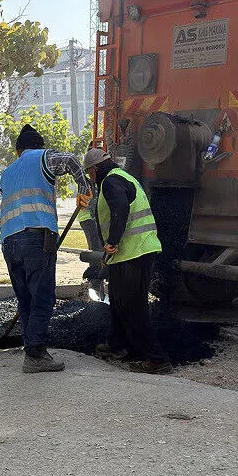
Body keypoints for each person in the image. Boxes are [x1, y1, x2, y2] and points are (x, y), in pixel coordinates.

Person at [0, 125, 93, 373]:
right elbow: (72, 160)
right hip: (36, 237)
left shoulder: (7, 172)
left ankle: (31, 345)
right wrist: (85, 191)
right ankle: (36, 355)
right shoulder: (43, 157)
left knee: (25, 298)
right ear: (38, 146)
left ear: (18, 150)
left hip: (9, 242)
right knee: (42, 298)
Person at [84, 147, 171, 374]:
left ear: (94, 170)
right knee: (118, 301)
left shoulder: (112, 181)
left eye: (89, 173)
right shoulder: (123, 177)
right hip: (131, 253)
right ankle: (118, 345)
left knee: (132, 305)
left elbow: (120, 208)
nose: (90, 178)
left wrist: (112, 241)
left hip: (135, 252)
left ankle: (157, 358)